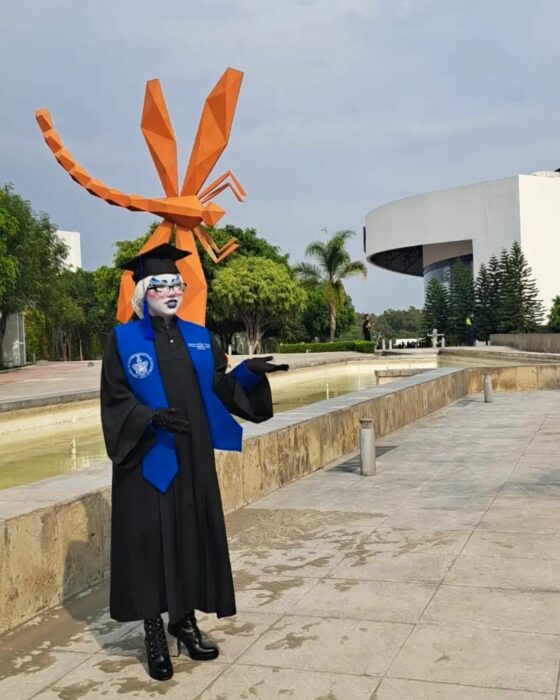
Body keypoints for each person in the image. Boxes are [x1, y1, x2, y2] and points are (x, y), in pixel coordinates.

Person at [100, 243, 288, 681]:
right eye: (160, 284)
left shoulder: (201, 337)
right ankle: (152, 632)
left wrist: (248, 373)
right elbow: (114, 397)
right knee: (150, 543)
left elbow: (218, 387)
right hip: (147, 459)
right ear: (143, 291)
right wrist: (150, 418)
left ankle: (183, 621)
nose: (170, 290)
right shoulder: (123, 339)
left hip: (192, 459)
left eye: (176, 284)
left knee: (188, 535)